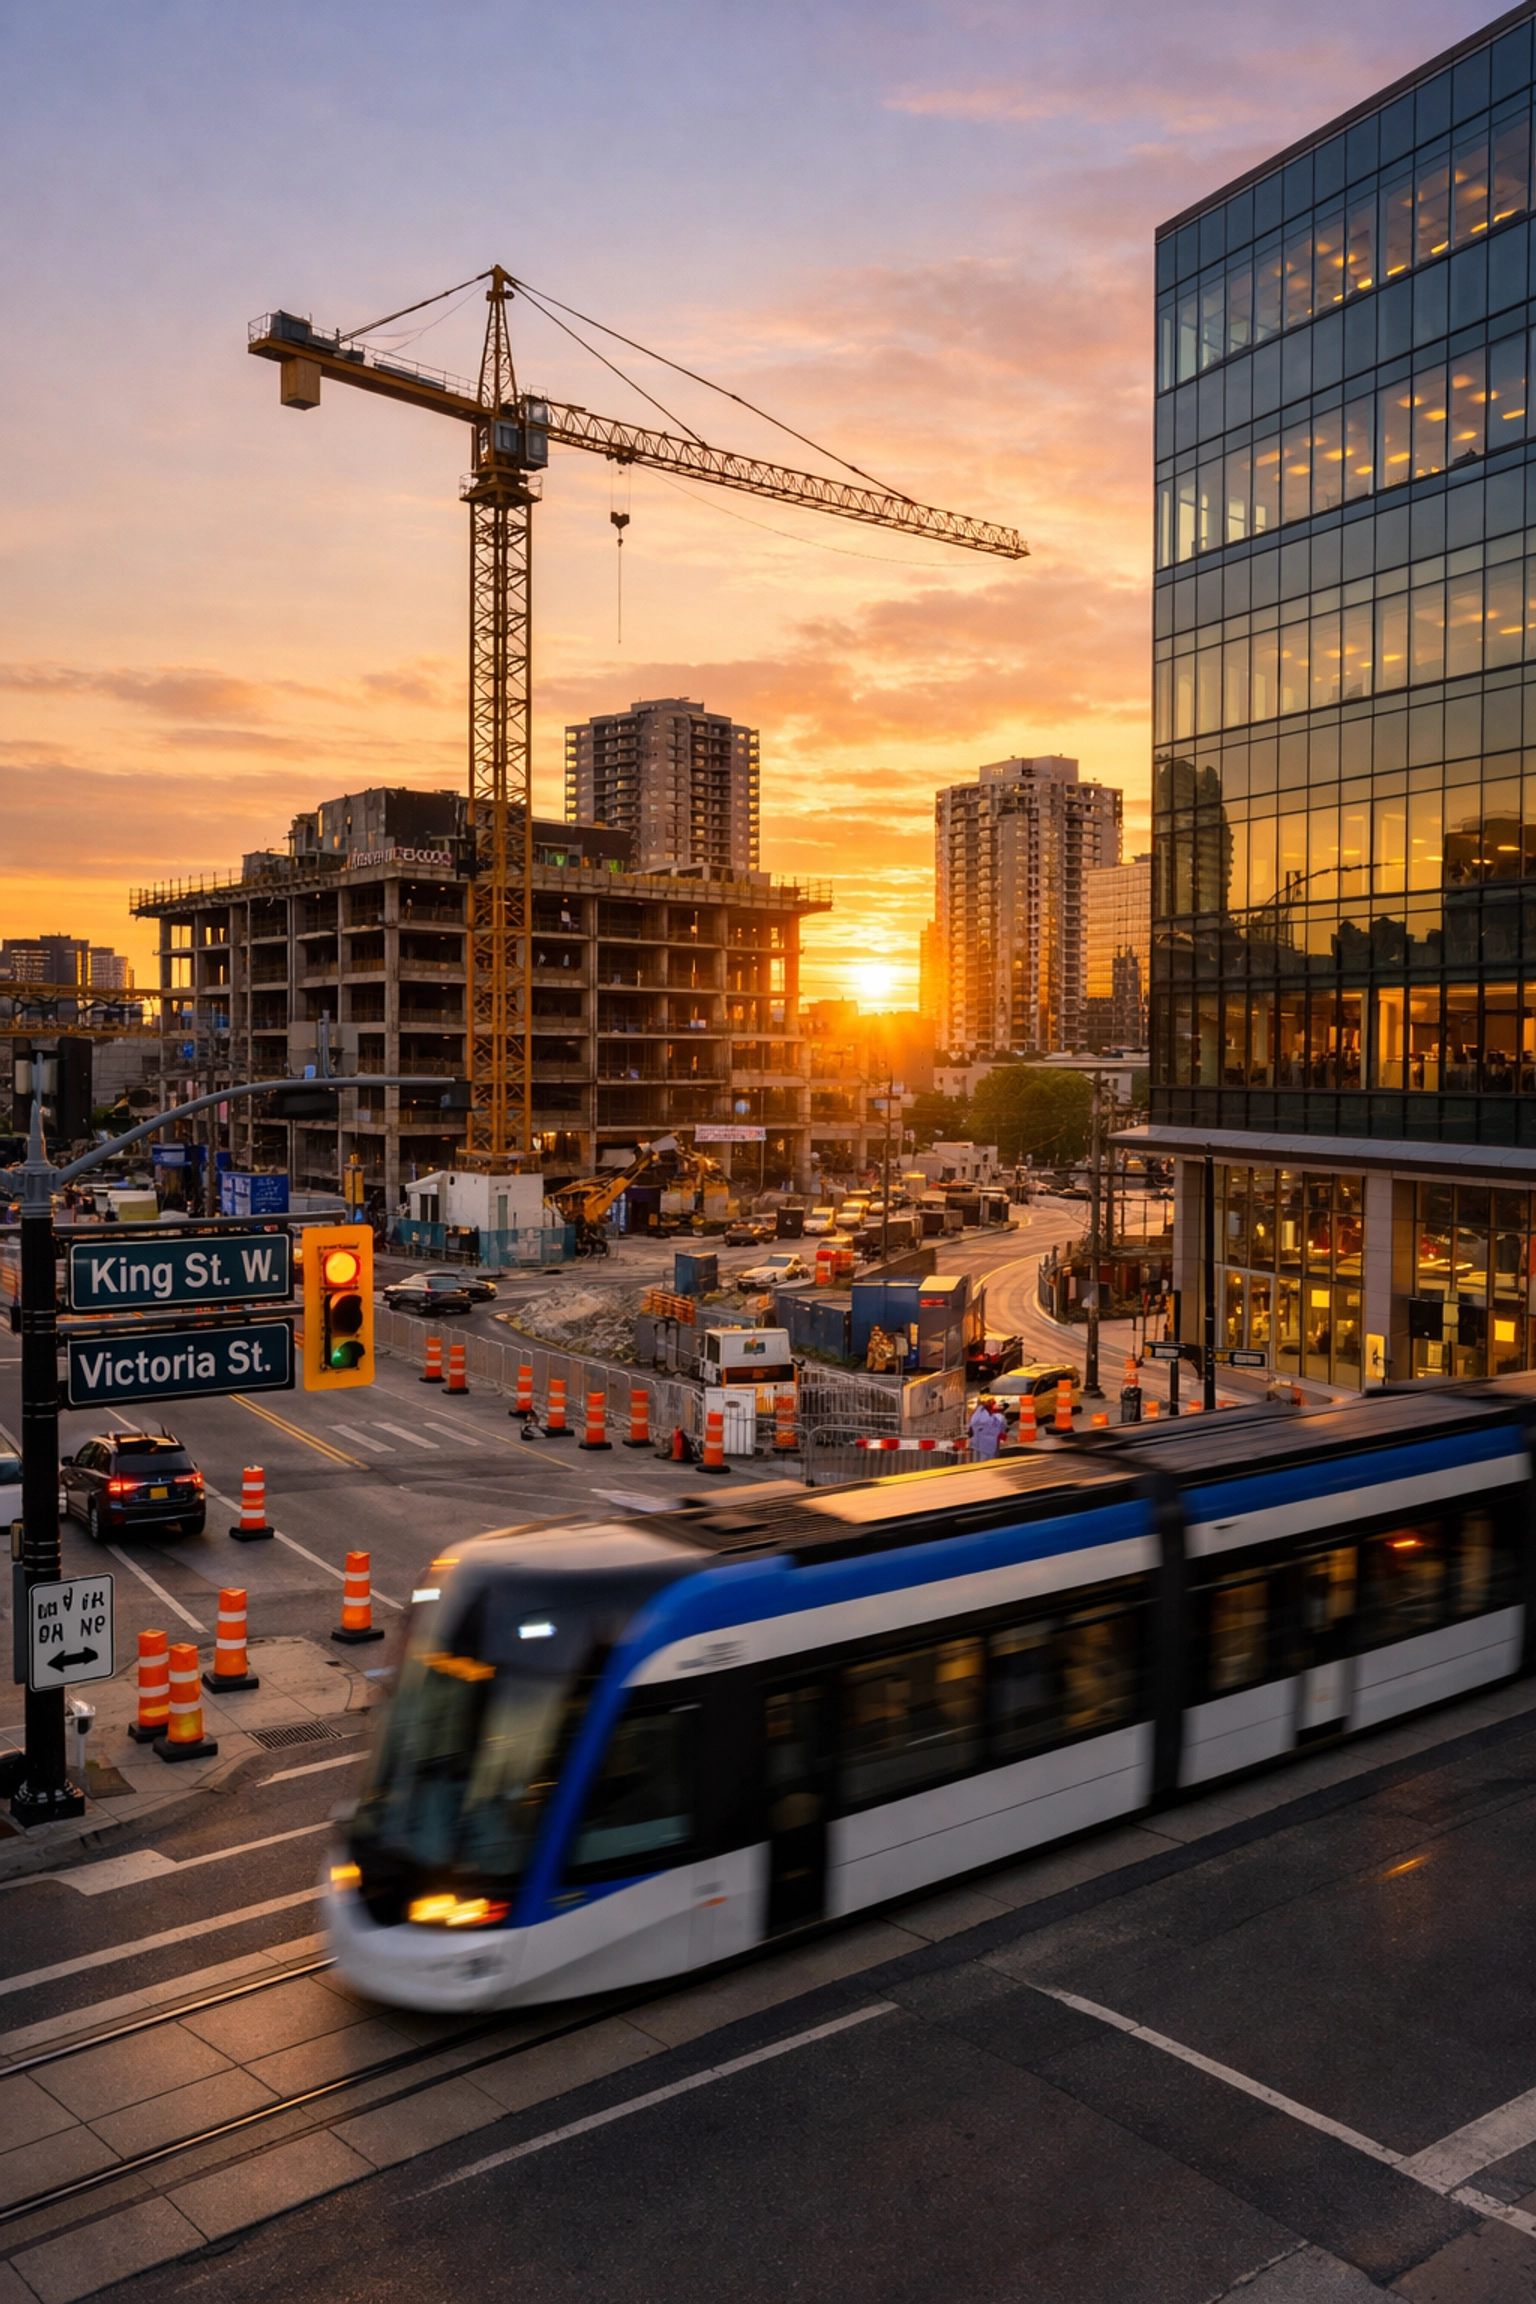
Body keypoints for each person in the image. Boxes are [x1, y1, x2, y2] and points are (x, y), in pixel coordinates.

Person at [968, 1396, 1007, 1460]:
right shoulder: (994, 1417)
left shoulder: (977, 1415)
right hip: (987, 1447)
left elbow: (971, 1430)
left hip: (980, 1447)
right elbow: (1002, 1427)